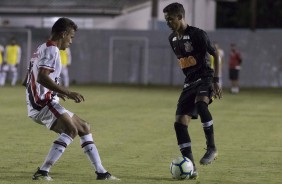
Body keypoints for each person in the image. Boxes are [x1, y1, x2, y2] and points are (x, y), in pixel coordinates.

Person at [23, 17, 119, 181]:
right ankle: (43, 171)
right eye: (71, 37)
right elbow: (42, 77)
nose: (71, 41)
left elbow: (26, 80)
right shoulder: (51, 50)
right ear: (63, 34)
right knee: (71, 130)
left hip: (43, 101)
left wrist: (55, 92)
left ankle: (101, 172)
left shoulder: (41, 48)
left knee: (83, 127)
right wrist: (67, 92)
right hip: (42, 104)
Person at [163, 2, 222, 179]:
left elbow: (216, 55)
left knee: (202, 105)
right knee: (179, 123)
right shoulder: (172, 39)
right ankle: (191, 167)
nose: (168, 23)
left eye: (170, 19)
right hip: (189, 83)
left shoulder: (197, 34)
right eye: (166, 20)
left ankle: (212, 148)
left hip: (205, 78)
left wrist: (216, 81)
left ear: (180, 17)